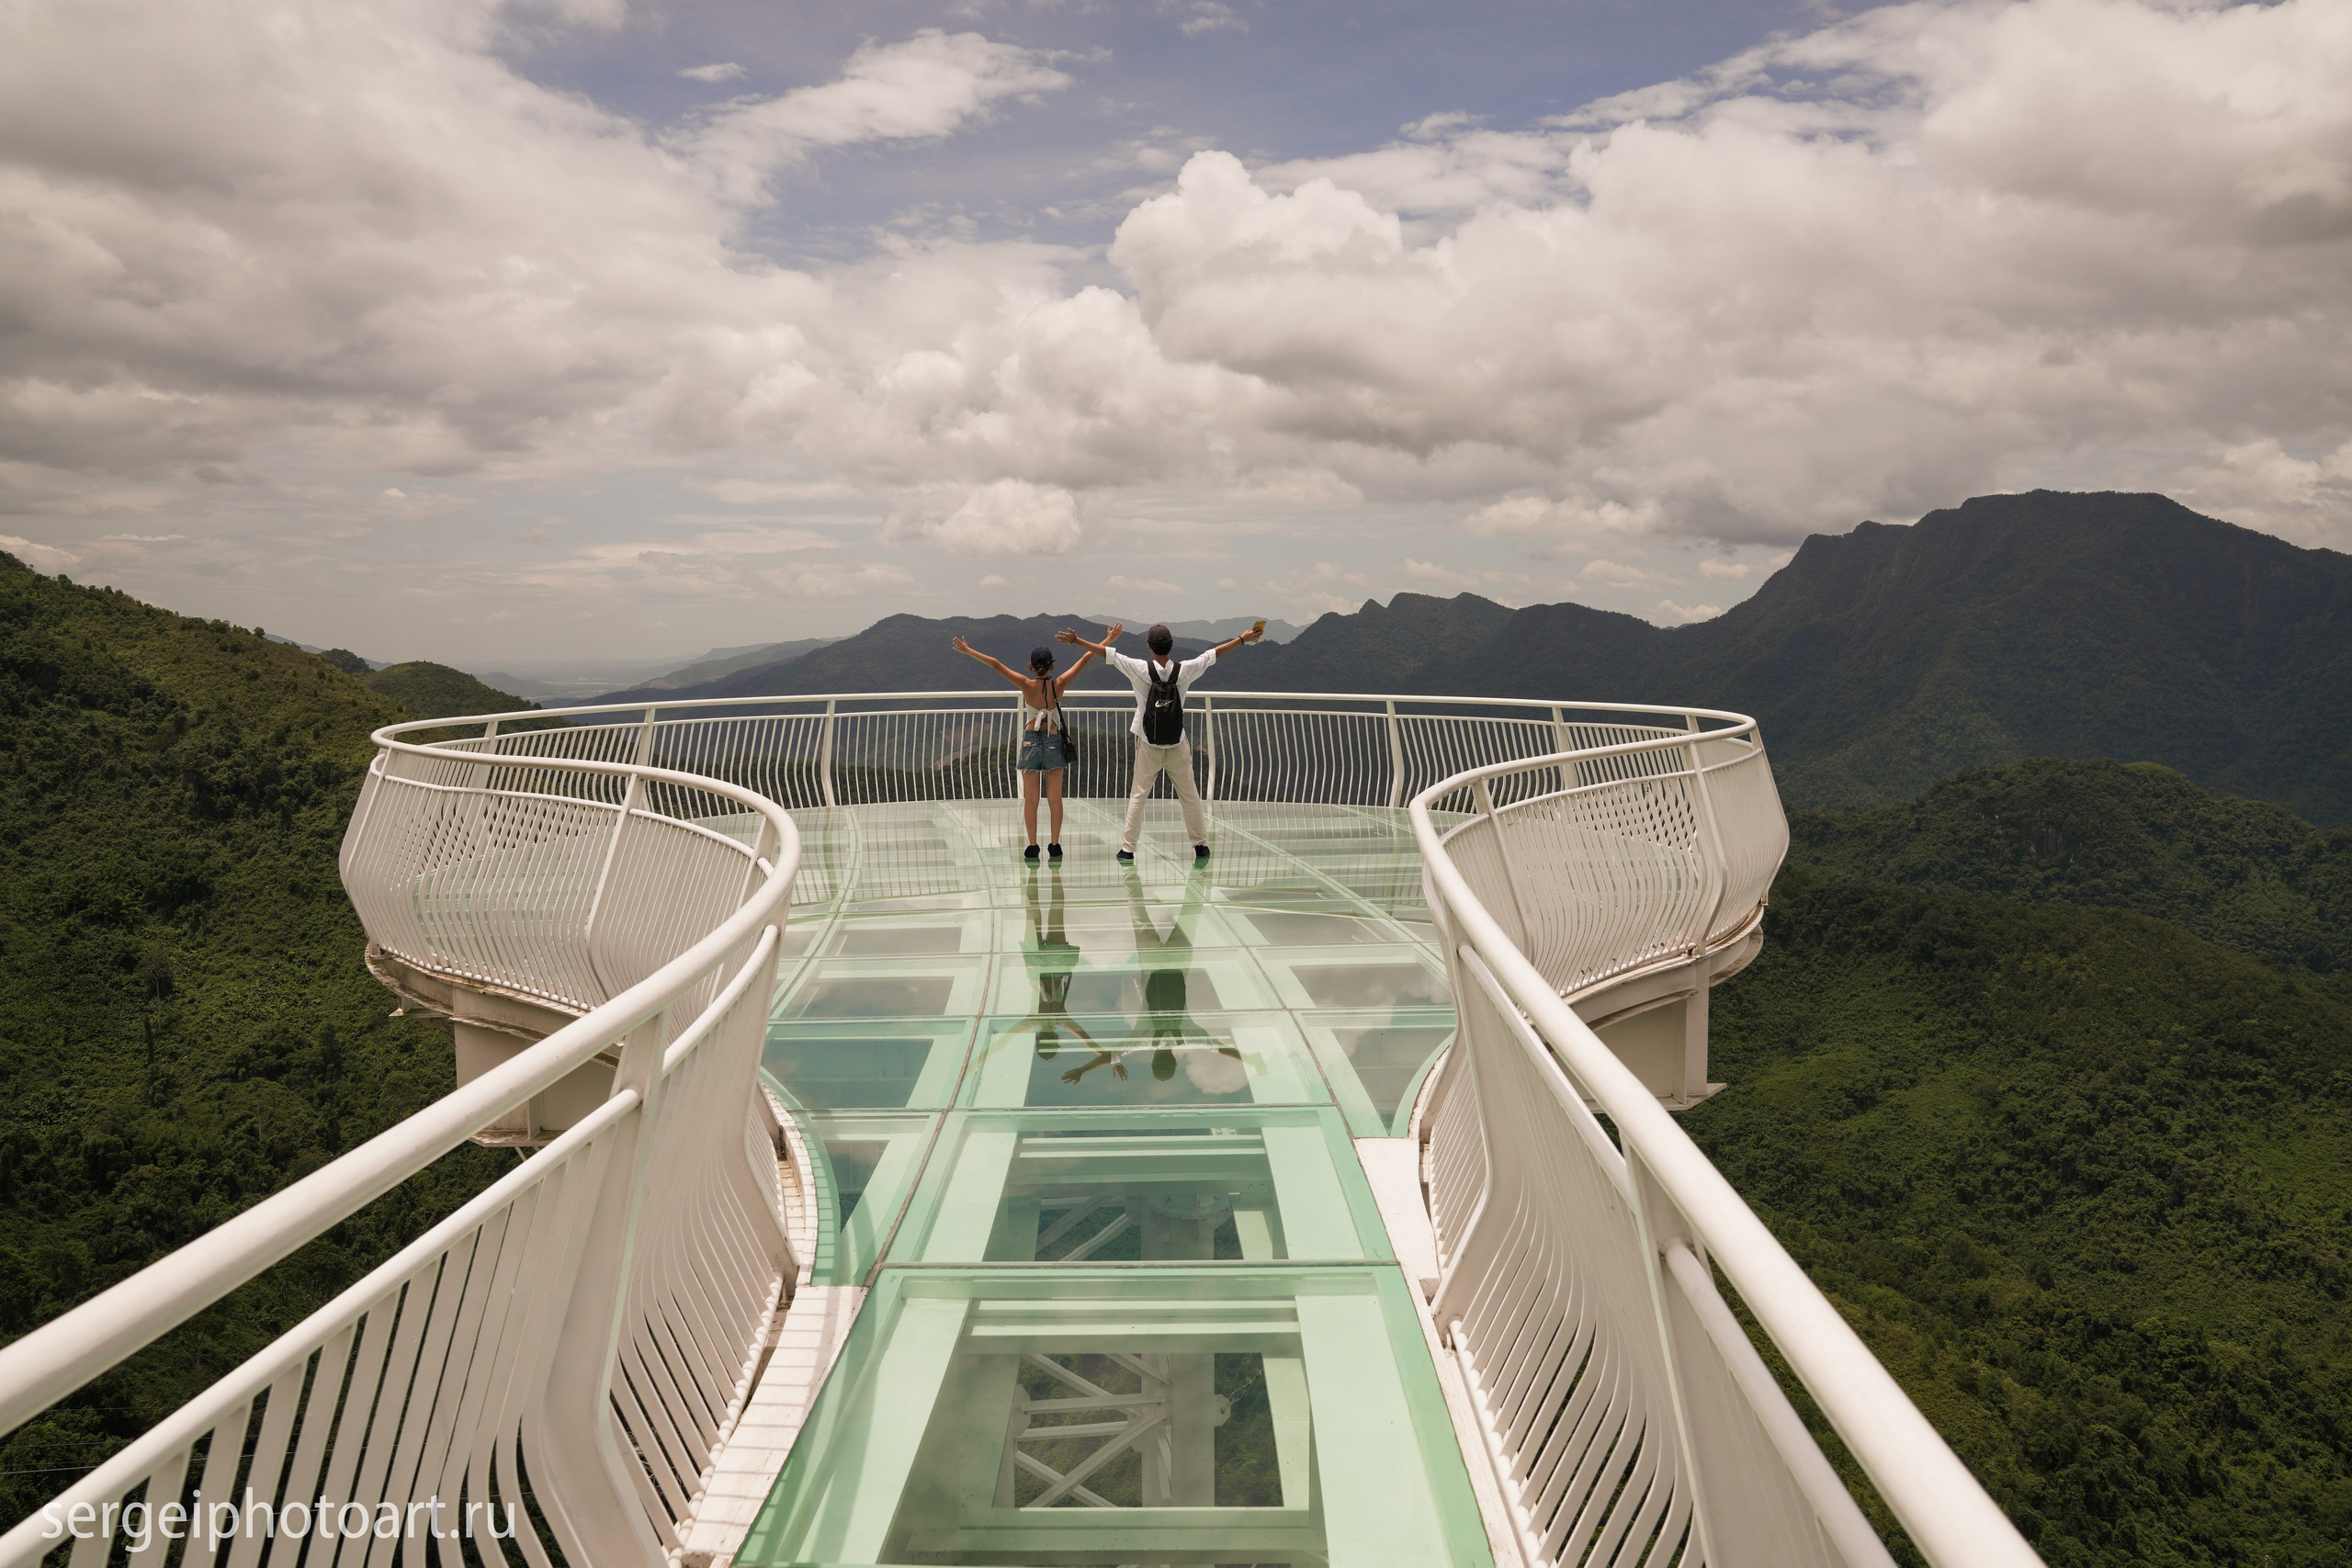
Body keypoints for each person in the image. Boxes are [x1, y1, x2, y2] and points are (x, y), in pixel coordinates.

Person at [1058, 620, 1261, 862]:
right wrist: (1242, 638)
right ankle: (1201, 846)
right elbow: (1212, 654)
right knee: (1190, 795)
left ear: (1149, 646)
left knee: (1139, 795)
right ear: (1172, 645)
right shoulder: (1185, 669)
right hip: (1177, 742)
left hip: (1148, 743)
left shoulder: (1139, 668)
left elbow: (1107, 653)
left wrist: (1076, 641)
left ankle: (1128, 849)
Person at [952, 623, 1118, 860]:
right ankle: (1055, 845)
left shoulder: (1026, 685)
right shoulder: (1058, 685)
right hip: (1053, 742)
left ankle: (1032, 847)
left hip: (1030, 742)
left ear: (1031, 667)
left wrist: (969, 651)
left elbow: (996, 664)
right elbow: (1085, 659)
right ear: (1052, 666)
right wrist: (1108, 639)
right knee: (1055, 799)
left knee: (1031, 800)